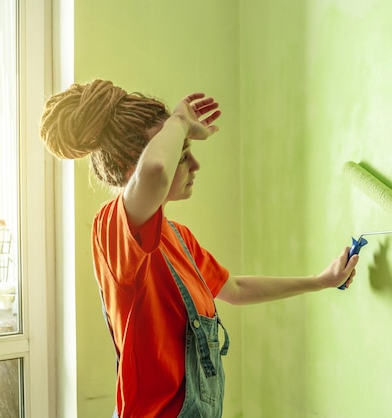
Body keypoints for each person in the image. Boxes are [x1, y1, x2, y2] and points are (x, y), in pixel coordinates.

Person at [39, 79, 359, 418]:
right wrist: (176, 121)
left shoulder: (178, 237)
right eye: (183, 156)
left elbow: (235, 288)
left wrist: (320, 281)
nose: (195, 166)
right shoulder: (113, 230)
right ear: (131, 171)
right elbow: (156, 170)